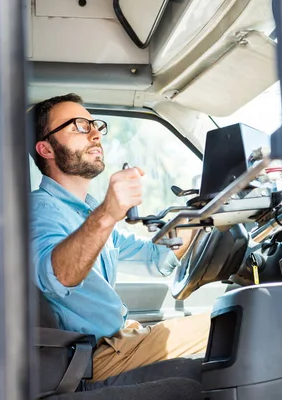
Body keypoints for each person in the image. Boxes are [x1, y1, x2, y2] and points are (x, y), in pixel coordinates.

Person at [29, 93, 210, 382]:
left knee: (233, 326)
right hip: (91, 360)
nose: (95, 134)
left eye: (94, 125)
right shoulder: (38, 210)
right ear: (46, 149)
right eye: (78, 126)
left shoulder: (85, 215)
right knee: (239, 326)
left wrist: (197, 215)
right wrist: (108, 213)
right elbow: (56, 275)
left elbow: (156, 259)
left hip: (123, 340)